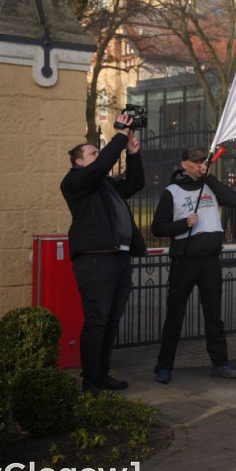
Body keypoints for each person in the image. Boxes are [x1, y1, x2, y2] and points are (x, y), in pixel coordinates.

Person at [60, 113, 147, 395]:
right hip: (95, 260)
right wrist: (119, 135)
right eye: (92, 153)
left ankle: (103, 372)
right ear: (80, 162)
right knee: (97, 320)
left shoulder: (106, 185)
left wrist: (132, 155)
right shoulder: (74, 182)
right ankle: (91, 380)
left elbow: (135, 184)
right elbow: (101, 166)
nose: (98, 158)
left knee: (111, 321)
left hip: (119, 258)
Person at [152, 148, 236, 383]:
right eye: (196, 161)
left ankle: (220, 363)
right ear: (184, 164)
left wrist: (209, 177)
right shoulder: (172, 191)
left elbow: (233, 201)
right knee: (175, 315)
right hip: (184, 262)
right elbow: (158, 227)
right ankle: (164, 367)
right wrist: (183, 224)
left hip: (210, 261)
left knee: (214, 315)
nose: (201, 164)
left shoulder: (210, 185)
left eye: (203, 161)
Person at [222, 172, 236, 242]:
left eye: (234, 177)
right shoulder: (225, 185)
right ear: (228, 178)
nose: (233, 179)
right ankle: (223, 237)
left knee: (234, 223)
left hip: (235, 207)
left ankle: (234, 237)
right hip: (227, 207)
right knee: (224, 222)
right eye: (231, 177)